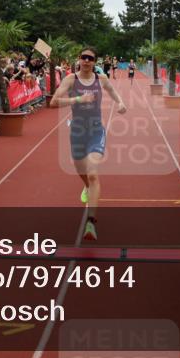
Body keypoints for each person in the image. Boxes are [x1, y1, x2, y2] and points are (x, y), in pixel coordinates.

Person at [49, 47, 127, 242]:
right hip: (77, 131)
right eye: (83, 57)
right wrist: (78, 99)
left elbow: (112, 90)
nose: (86, 61)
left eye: (90, 58)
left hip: (95, 131)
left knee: (92, 173)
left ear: (95, 62)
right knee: (81, 170)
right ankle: (86, 188)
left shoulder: (101, 79)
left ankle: (91, 222)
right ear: (79, 59)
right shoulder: (70, 80)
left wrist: (120, 103)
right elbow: (53, 102)